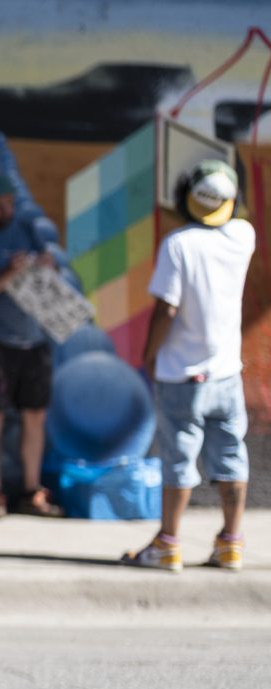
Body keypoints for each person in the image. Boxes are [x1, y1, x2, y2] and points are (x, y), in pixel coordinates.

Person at [123, 159, 254, 573]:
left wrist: (149, 353)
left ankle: (168, 543)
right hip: (227, 372)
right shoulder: (244, 236)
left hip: (182, 373)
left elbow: (167, 307)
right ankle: (231, 543)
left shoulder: (179, 245)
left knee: (179, 460)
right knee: (232, 456)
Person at [0, 172, 62, 518]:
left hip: (32, 339)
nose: (4, 210)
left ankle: (31, 490)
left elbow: (52, 284)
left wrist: (48, 269)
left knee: (34, 416)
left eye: (8, 204)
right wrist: (7, 273)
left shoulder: (28, 230)